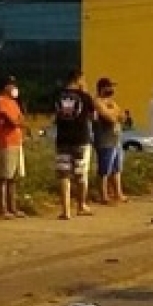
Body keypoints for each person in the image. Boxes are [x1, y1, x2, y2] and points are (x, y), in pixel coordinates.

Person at [53, 70, 95, 220]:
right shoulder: (85, 96)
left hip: (63, 139)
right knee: (81, 174)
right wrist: (86, 93)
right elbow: (93, 116)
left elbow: (56, 115)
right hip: (81, 139)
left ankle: (66, 210)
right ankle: (81, 205)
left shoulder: (59, 95)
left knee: (64, 175)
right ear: (78, 80)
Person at [0, 76, 26, 219]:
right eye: (11, 85)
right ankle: (2, 209)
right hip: (6, 142)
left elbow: (21, 120)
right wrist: (17, 122)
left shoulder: (13, 102)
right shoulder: (0, 101)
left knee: (13, 177)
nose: (13, 87)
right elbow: (12, 121)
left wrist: (18, 122)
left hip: (17, 142)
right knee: (4, 176)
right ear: (5, 87)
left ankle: (12, 207)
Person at [93, 77, 126, 205]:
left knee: (117, 168)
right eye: (110, 86)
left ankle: (118, 193)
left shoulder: (111, 102)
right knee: (104, 169)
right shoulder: (97, 102)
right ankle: (104, 195)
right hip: (104, 139)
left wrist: (115, 113)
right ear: (102, 88)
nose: (112, 89)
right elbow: (110, 118)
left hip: (116, 138)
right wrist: (114, 113)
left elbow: (122, 116)